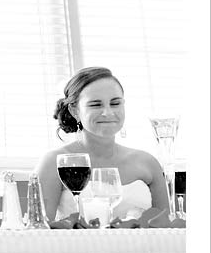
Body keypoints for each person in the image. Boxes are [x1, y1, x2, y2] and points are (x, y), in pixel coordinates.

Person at [35, 66, 168, 221]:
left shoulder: (148, 162)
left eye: (115, 103)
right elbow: (37, 230)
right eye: (95, 105)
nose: (108, 112)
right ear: (74, 110)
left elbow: (169, 229)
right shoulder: (55, 162)